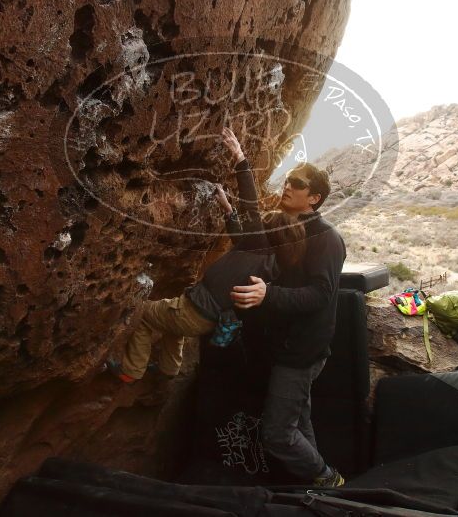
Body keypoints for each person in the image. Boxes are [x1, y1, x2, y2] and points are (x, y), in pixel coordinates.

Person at [107, 128, 306, 383]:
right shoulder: (270, 261)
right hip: (204, 318)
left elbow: (250, 204)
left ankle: (130, 372)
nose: (265, 224)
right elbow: (240, 236)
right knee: (172, 327)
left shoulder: (262, 246)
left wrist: (239, 156)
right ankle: (169, 369)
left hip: (195, 310)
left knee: (145, 314)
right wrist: (227, 208)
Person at [230, 162, 347, 487]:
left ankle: (328, 479)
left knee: (278, 433)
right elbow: (251, 236)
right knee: (299, 421)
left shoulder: (326, 237)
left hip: (302, 350)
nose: (288, 186)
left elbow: (320, 294)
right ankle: (319, 486)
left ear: (314, 198)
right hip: (286, 345)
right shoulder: (286, 227)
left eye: (297, 183)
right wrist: (241, 166)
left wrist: (269, 294)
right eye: (288, 180)